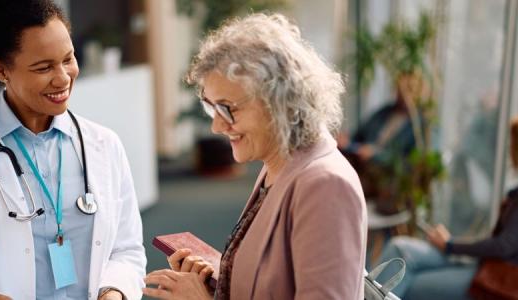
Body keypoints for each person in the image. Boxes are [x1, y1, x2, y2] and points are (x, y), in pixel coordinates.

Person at [0, 1, 146, 299]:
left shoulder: (105, 145)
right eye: (43, 67)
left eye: (68, 58)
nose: (63, 77)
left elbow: (126, 250)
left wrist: (114, 292)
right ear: (0, 69)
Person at [142, 13, 367, 299]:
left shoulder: (325, 186)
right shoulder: (278, 163)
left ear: (278, 102)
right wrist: (218, 277)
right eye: (212, 108)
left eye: (227, 108)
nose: (217, 125)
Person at [375, 110, 518, 299]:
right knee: (400, 248)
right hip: (488, 266)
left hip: (498, 278)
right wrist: (450, 245)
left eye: (515, 142)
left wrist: (450, 245)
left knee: (408, 281)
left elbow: (503, 246)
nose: (510, 149)